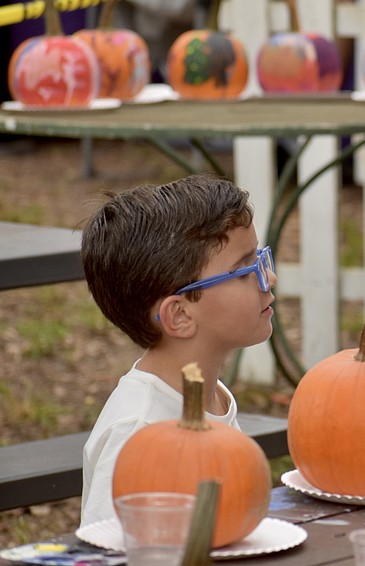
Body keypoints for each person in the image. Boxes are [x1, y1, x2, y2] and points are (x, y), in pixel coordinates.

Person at [79, 174, 276, 526]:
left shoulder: (210, 393)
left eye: (259, 260)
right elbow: (106, 550)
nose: (269, 279)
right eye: (245, 270)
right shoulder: (137, 429)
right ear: (180, 314)